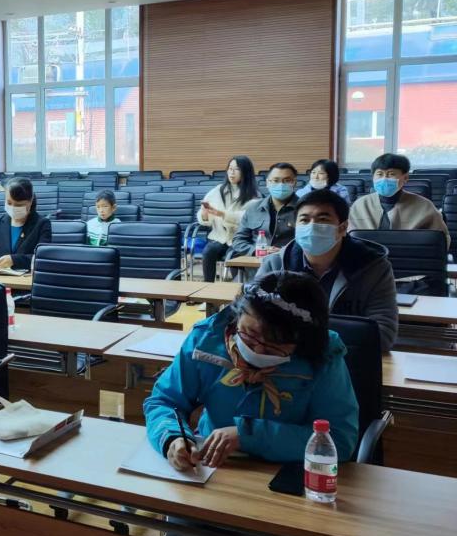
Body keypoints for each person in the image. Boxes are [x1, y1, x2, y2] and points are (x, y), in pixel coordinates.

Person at [144, 271, 358, 474]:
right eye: (249, 334)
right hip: (214, 465)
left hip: (289, 471)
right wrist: (172, 437)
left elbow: (339, 439)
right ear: (237, 317)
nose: (257, 351)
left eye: (274, 346)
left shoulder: (324, 359)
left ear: (302, 343)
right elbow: (164, 400)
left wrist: (248, 435)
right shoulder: (206, 342)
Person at [257, 189, 398, 354]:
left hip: (347, 359)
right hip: (287, 358)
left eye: (322, 219)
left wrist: (293, 333)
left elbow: (383, 335)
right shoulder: (275, 264)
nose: (312, 226)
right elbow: (253, 320)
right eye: (304, 220)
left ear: (342, 228)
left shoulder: (373, 267)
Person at [349, 153, 449, 245]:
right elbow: (347, 238)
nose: (384, 179)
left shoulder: (424, 206)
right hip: (367, 257)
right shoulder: (360, 205)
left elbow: (442, 239)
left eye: (391, 174)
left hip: (410, 256)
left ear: (405, 178)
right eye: (379, 174)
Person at [198, 156, 260, 282]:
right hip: (220, 237)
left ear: (245, 172)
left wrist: (222, 214)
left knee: (234, 257)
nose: (232, 172)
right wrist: (204, 214)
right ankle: (207, 286)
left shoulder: (254, 195)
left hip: (240, 239)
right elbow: (204, 218)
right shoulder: (217, 190)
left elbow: (247, 218)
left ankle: (238, 288)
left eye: (236, 169)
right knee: (209, 251)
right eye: (230, 169)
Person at [0, 177, 52, 270]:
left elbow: (43, 257)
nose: (13, 208)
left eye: (19, 205)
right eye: (9, 203)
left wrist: (14, 260)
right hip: (0, 276)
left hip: (27, 276)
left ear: (30, 201)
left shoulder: (42, 224)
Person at [230, 163, 299, 257]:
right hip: (256, 262)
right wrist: (256, 251)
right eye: (276, 180)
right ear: (267, 183)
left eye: (287, 180)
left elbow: (311, 242)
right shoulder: (253, 208)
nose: (281, 184)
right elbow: (238, 240)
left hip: (289, 261)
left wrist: (285, 252)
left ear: (294, 182)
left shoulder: (305, 209)